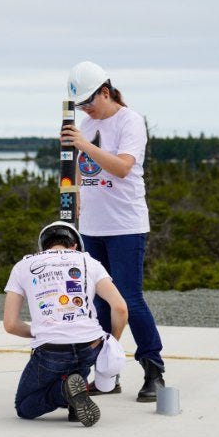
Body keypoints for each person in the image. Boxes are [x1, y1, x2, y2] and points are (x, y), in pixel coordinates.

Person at [60, 60, 165, 402]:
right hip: (92, 225)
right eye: (80, 105)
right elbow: (79, 167)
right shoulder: (86, 125)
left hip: (126, 225)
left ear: (105, 92)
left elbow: (121, 167)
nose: (86, 109)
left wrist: (85, 145)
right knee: (98, 302)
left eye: (89, 102)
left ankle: (153, 370)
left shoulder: (130, 121)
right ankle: (106, 373)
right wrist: (72, 196)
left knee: (129, 299)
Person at [3, 221, 128, 427]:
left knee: (24, 406)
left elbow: (10, 324)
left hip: (52, 350)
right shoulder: (90, 262)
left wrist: (38, 332)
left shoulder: (23, 266)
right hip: (90, 345)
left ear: (43, 247)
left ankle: (65, 392)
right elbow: (121, 308)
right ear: (75, 245)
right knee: (78, 361)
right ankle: (74, 397)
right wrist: (112, 340)